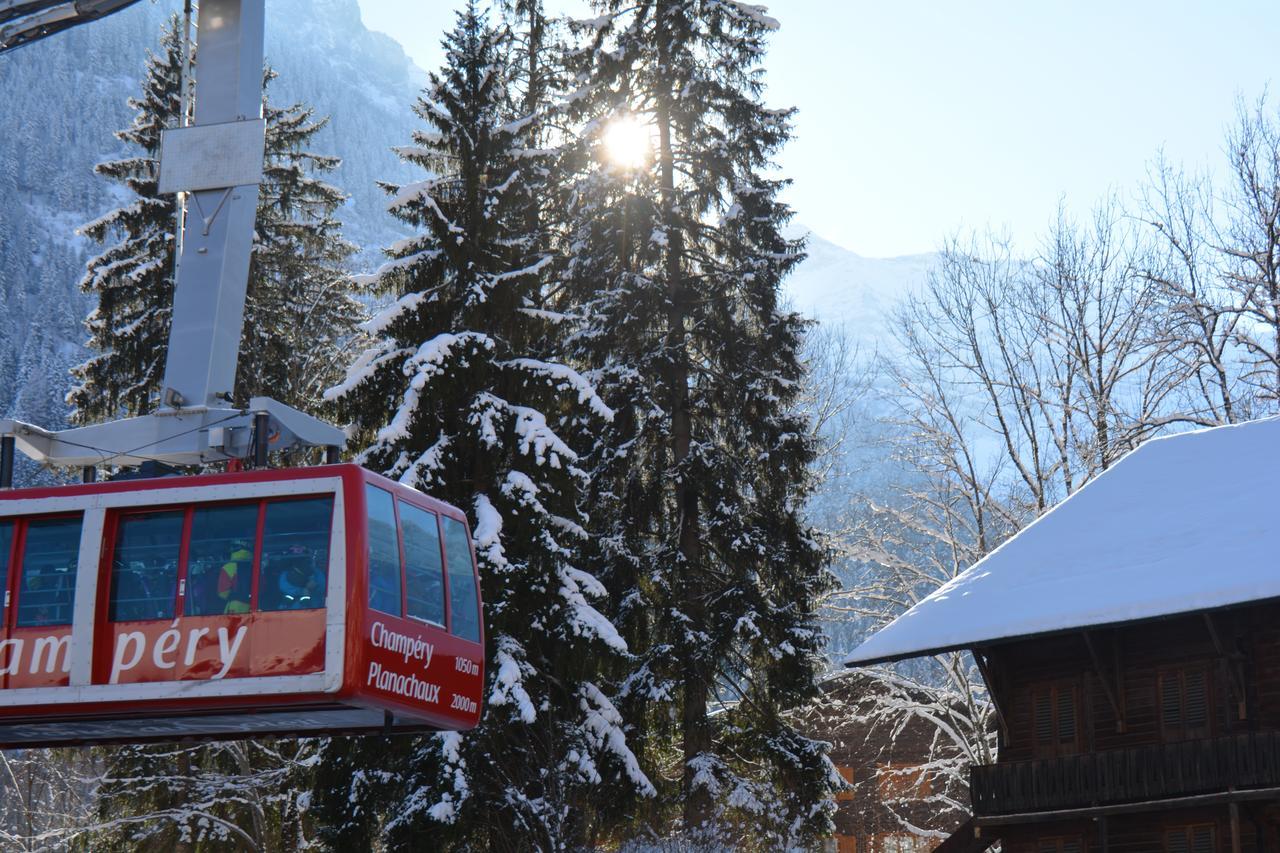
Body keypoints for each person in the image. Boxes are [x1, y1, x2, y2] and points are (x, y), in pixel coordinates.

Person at [276, 543, 324, 609]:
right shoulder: (284, 576)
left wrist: (311, 588)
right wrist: (304, 591)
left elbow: (322, 589)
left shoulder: (317, 574)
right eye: (294, 547)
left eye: (301, 547)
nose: (298, 548)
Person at [217, 541, 253, 614]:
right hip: (253, 606)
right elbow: (262, 588)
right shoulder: (255, 567)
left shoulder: (228, 567)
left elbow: (222, 592)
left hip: (235, 607)